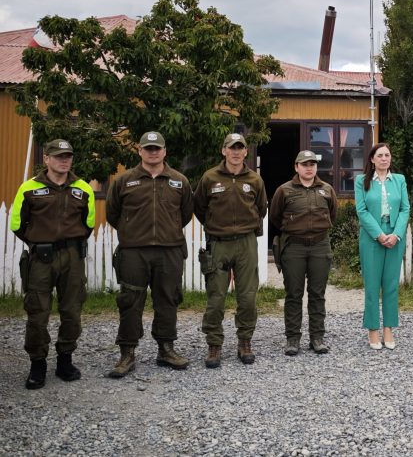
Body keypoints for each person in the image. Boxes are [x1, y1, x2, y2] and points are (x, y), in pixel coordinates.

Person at [106, 131, 194, 378]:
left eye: (157, 148)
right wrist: (134, 232)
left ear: (165, 151)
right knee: (130, 301)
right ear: (140, 151)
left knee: (168, 299)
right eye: (148, 148)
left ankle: (166, 349)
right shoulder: (124, 181)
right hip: (134, 251)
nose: (153, 152)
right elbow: (113, 214)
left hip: (170, 250)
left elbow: (185, 214)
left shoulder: (180, 181)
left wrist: (166, 231)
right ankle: (127, 353)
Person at [10, 139, 95, 390]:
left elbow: (88, 223)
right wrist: (40, 242)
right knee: (37, 313)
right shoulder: (29, 188)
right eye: (58, 156)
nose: (64, 160)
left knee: (72, 311)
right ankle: (38, 364)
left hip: (73, 257)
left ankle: (65, 360)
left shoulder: (83, 188)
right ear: (46, 159)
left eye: (68, 156)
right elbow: (17, 225)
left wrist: (68, 245)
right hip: (41, 259)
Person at [193, 133, 268, 367]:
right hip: (219, 243)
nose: (236, 152)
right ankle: (214, 344)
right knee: (216, 297)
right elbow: (199, 208)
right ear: (223, 150)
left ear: (246, 152)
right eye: (231, 148)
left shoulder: (255, 180)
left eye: (240, 148)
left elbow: (261, 208)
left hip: (246, 243)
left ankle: (244, 341)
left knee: (247, 297)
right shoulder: (209, 178)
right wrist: (217, 226)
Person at [269, 150, 338, 355]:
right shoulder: (284, 191)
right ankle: (292, 339)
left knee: (317, 293)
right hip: (294, 247)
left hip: (320, 245)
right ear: (296, 167)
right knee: (293, 293)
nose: (309, 168)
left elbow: (333, 215)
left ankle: (317, 337)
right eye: (304, 164)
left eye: (312, 164)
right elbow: (275, 217)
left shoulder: (326, 190)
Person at [354, 143, 410, 350]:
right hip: (371, 237)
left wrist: (396, 234)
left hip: (395, 235)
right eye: (380, 155)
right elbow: (362, 210)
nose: (384, 158)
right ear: (372, 159)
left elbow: (405, 209)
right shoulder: (362, 181)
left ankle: (388, 329)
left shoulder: (400, 180)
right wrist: (379, 234)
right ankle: (372, 330)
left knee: (391, 285)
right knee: (372, 285)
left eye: (387, 155)